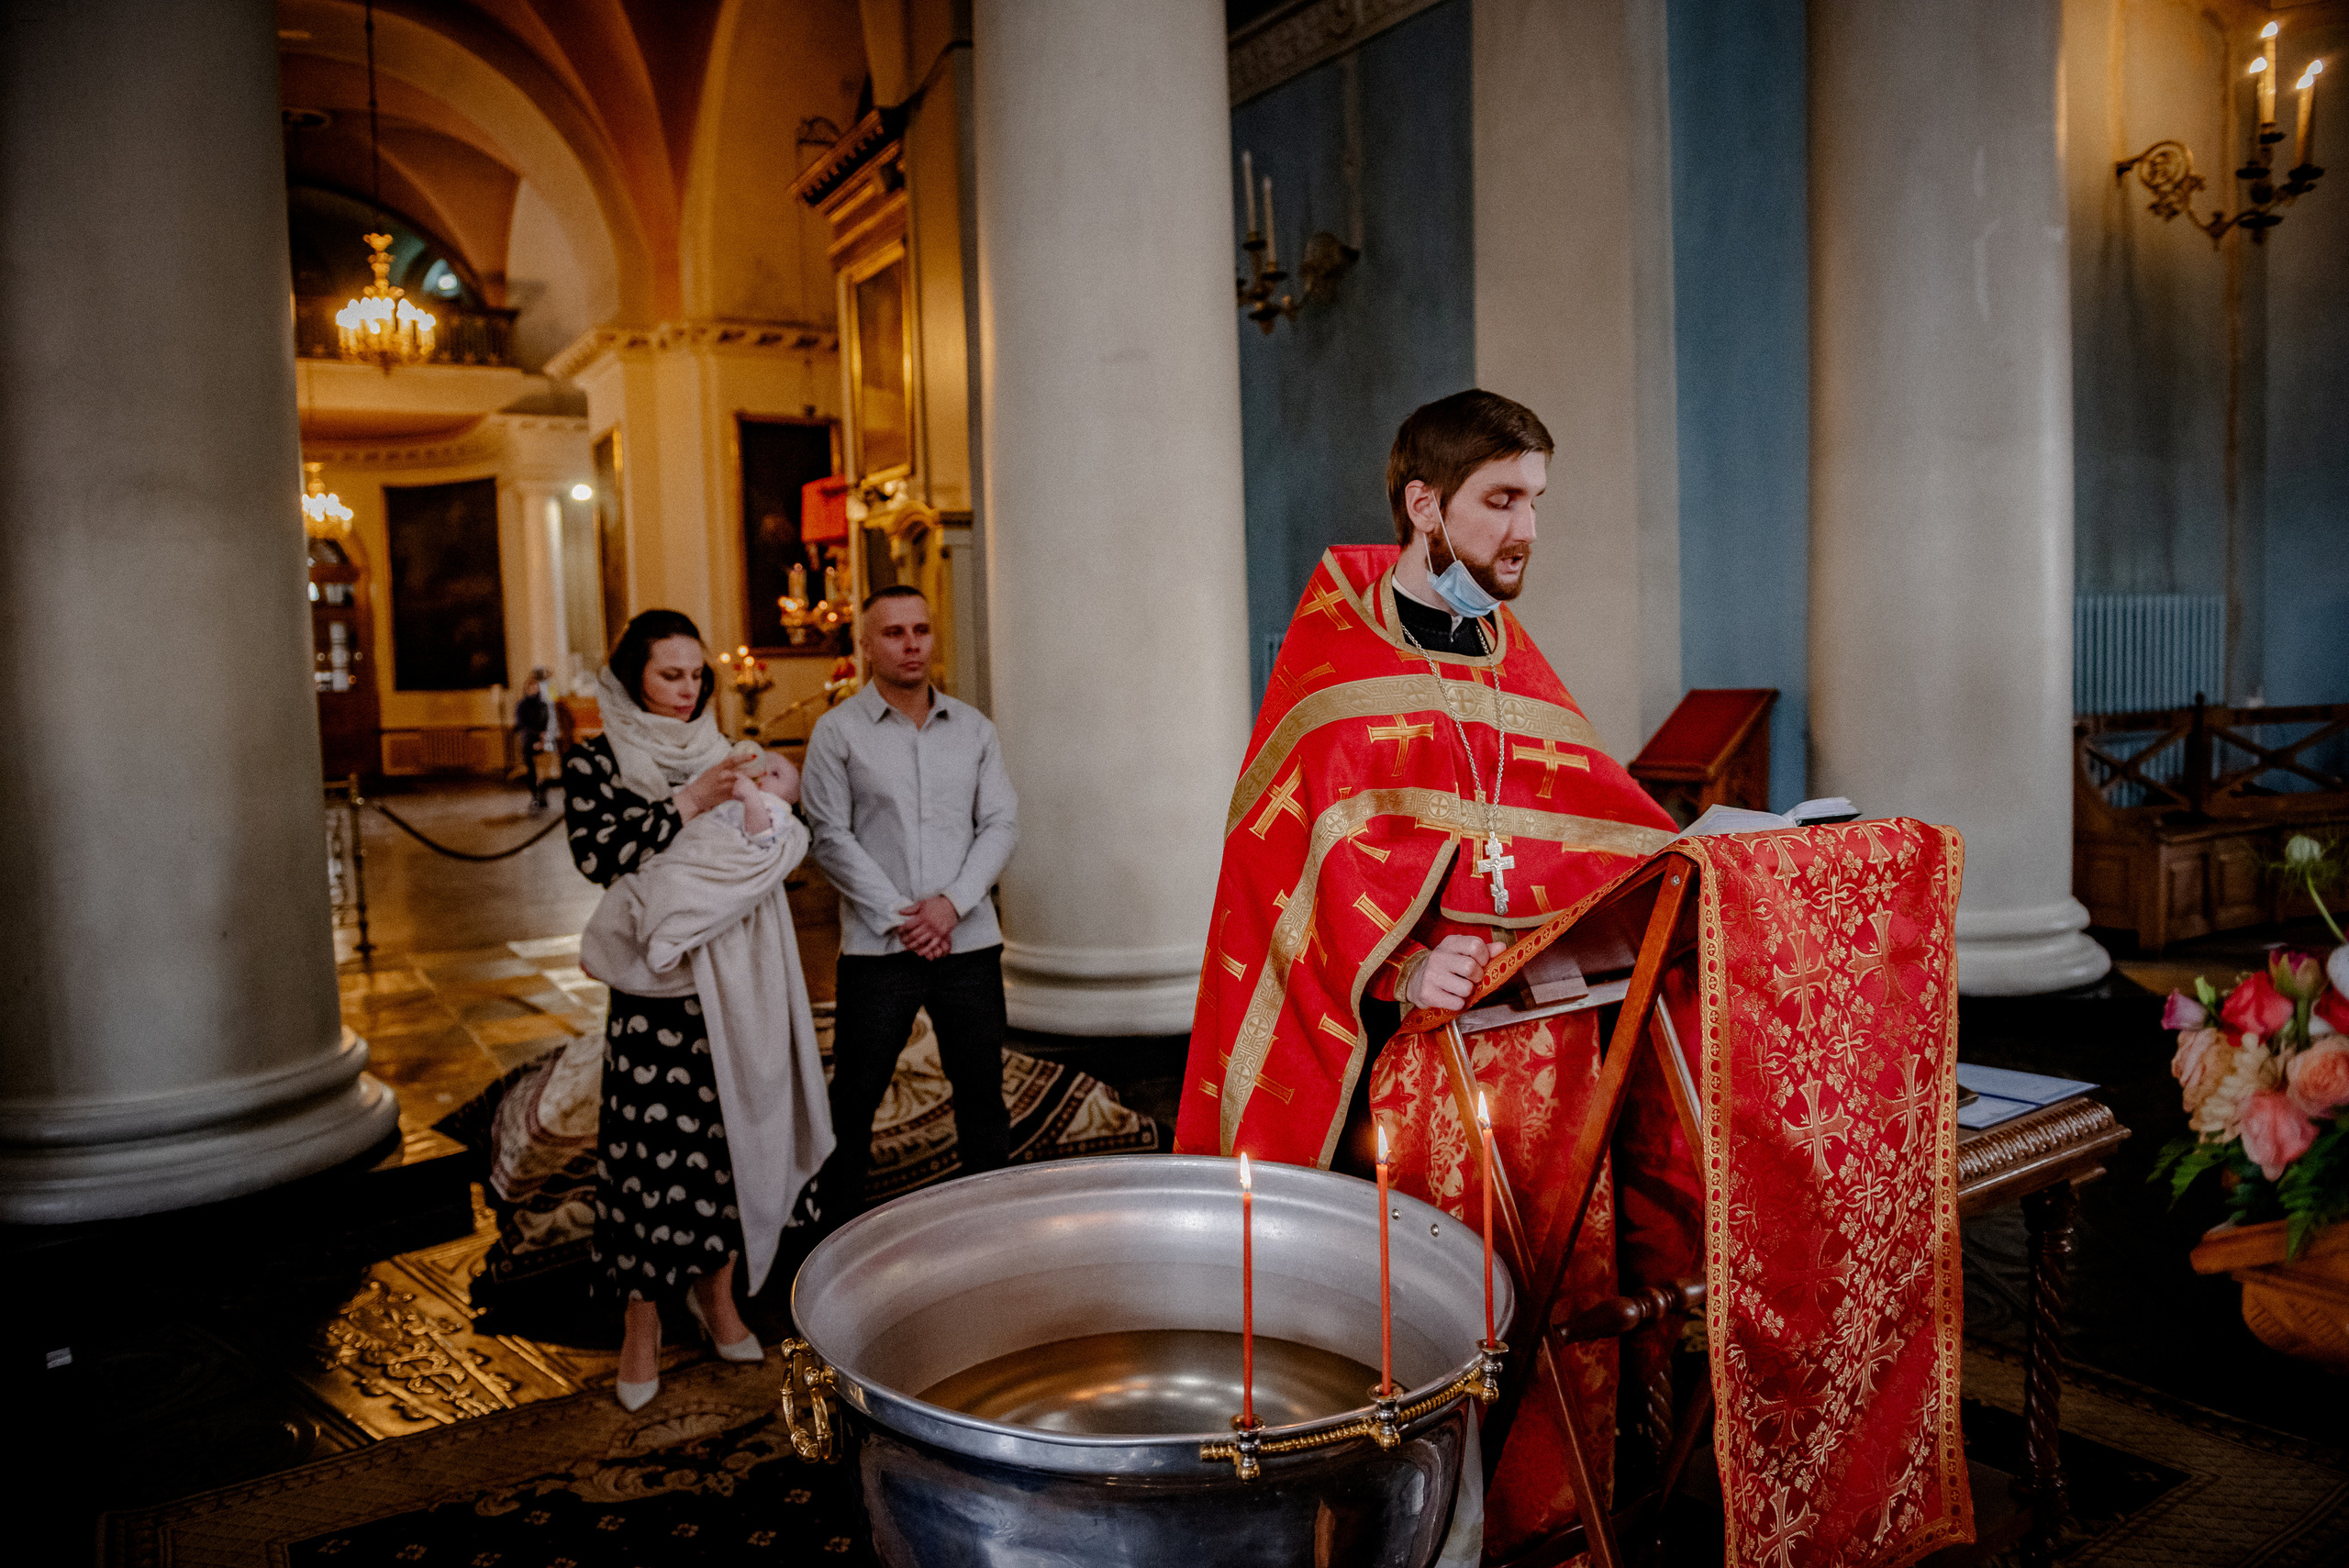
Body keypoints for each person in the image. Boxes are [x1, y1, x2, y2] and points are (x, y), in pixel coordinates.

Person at [1171, 390, 1682, 1555]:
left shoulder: (1511, 657)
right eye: (1501, 500)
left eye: (1537, 501)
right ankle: (1418, 1534)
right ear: (1423, 504)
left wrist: (1701, 862)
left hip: (1550, 1052)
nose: (1527, 530)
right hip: (1416, 1074)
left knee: (1558, 1298)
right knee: (1433, 1322)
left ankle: (1545, 1521)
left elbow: (1588, 822)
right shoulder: (1336, 656)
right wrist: (1401, 964)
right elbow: (1282, 879)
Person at [564, 610, 782, 1410]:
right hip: (652, 996)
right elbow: (600, 854)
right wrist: (687, 802)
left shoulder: (729, 752)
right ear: (632, 679)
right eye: (670, 675)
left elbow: (766, 844)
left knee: (728, 1135)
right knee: (647, 1151)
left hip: (729, 977)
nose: (688, 691)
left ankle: (717, 1293)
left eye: (697, 675)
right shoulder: (595, 759)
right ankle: (642, 1318)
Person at [801, 585, 1019, 1229]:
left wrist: (950, 906)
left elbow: (1002, 823)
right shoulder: (837, 732)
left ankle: (993, 1224)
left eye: (921, 629)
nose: (912, 643)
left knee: (981, 1091)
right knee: (856, 1095)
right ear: (865, 645)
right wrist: (905, 916)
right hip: (879, 950)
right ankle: (838, 1233)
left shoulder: (974, 729)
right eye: (894, 632)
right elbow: (828, 834)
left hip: (969, 943)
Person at [514, 668, 557, 809]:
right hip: (530, 741)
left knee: (546, 768)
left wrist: (545, 735)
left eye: (535, 686)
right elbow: (522, 724)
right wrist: (537, 736)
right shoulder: (521, 705)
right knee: (531, 770)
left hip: (546, 740)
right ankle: (534, 796)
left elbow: (549, 720)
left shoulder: (545, 703)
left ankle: (544, 794)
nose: (533, 688)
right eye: (530, 686)